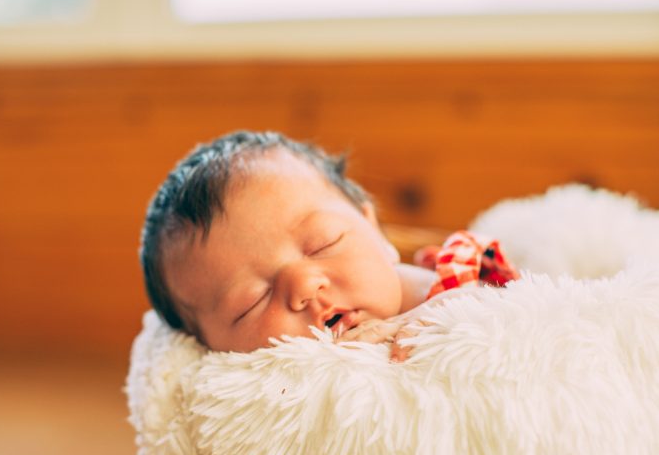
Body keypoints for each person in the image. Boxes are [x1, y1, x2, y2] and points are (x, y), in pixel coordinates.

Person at [140, 130, 518, 359]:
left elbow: (525, 314)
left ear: (376, 233)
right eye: (251, 301)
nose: (304, 285)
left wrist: (438, 315)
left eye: (323, 243)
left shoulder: (443, 286)